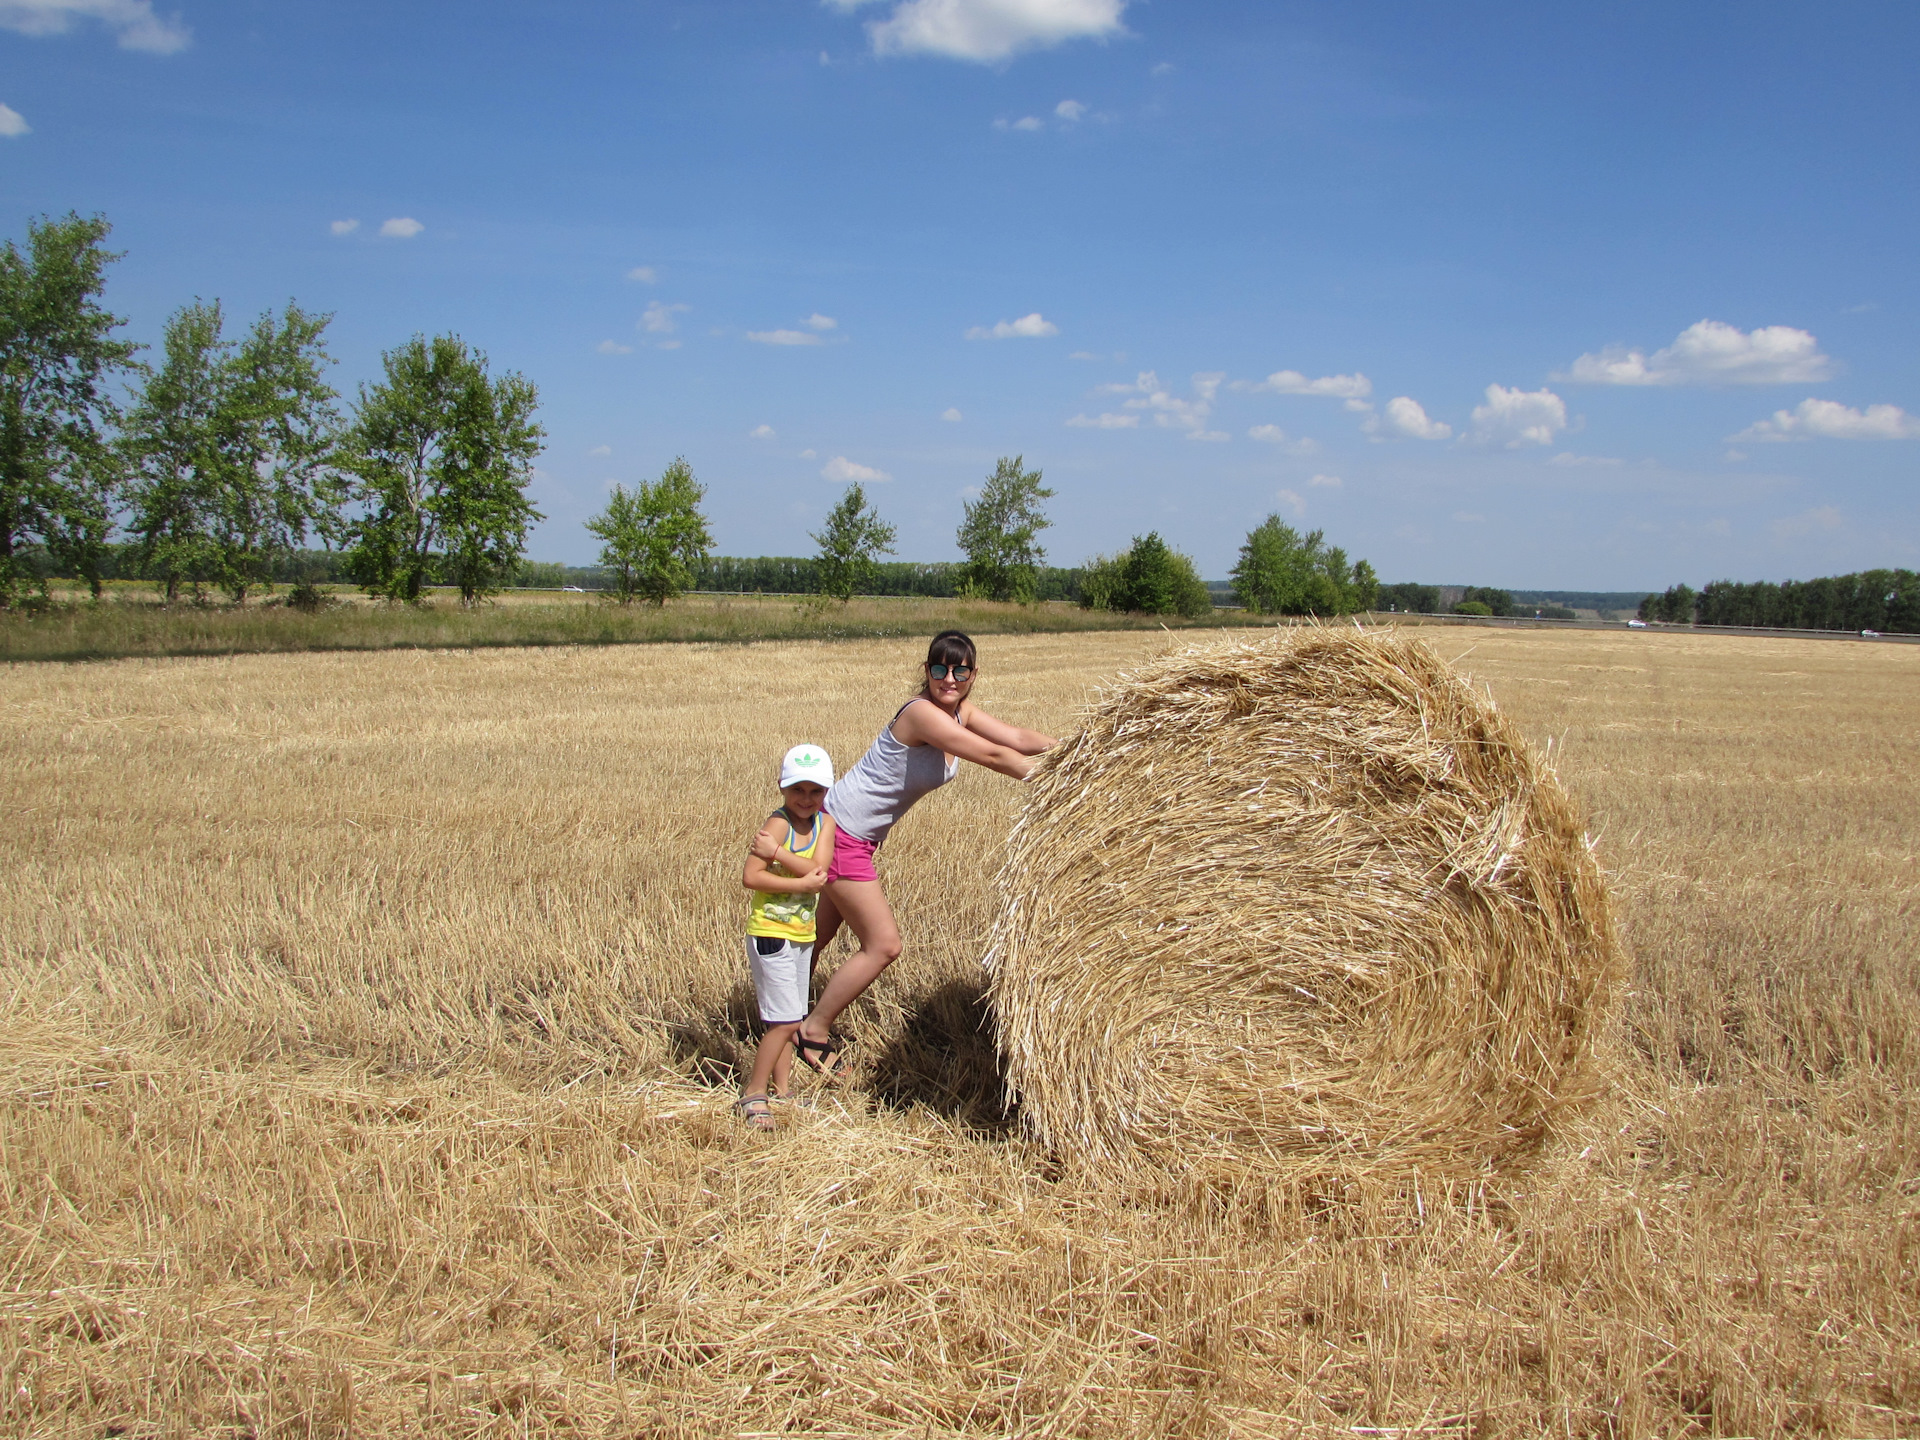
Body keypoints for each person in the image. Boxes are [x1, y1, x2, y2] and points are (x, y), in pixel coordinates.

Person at [793, 631, 1055, 1081]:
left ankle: (779, 1018)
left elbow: (1015, 737)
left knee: (814, 939)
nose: (948, 678)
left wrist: (1080, 753)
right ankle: (811, 1033)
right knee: (883, 945)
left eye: (959, 670)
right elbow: (995, 755)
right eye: (939, 668)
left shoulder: (960, 711)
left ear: (973, 674)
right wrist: (1066, 788)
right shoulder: (921, 714)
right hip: (840, 835)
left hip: (851, 834)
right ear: (927, 671)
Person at [736, 743, 837, 1131]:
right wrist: (803, 878)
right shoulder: (777, 822)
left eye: (815, 791)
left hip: (801, 933)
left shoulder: (824, 824)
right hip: (771, 933)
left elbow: (819, 873)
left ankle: (783, 1091)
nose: (806, 799)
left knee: (788, 1017)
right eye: (797, 789)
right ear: (781, 787)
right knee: (784, 1021)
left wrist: (779, 854)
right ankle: (754, 1092)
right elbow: (751, 876)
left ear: (826, 791)